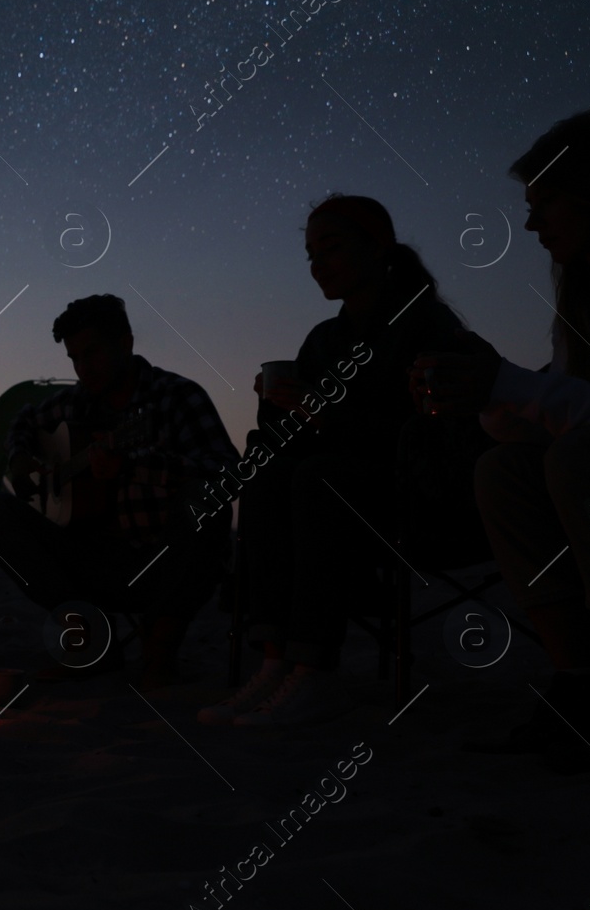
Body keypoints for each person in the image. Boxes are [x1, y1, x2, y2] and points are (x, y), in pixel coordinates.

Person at [420, 109, 590, 772]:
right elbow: (560, 399)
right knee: (503, 469)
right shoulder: (589, 293)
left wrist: (509, 385)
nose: (532, 225)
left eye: (545, 203)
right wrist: (490, 396)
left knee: (584, 455)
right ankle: (583, 687)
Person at [199, 196, 466, 725]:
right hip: (326, 498)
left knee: (321, 478)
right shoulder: (325, 338)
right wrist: (277, 404)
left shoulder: (425, 324)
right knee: (270, 473)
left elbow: (431, 437)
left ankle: (314, 669)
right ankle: (278, 662)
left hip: (417, 497)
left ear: (380, 248)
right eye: (310, 254)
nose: (319, 264)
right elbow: (290, 437)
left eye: (332, 247)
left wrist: (326, 415)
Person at [0, 294, 238, 689]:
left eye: (92, 353)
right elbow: (23, 419)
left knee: (205, 502)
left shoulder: (177, 397)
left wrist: (135, 466)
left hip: (162, 561)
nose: (83, 368)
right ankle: (92, 642)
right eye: (74, 358)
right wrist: (19, 458)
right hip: (90, 561)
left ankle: (159, 651)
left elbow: (227, 473)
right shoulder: (72, 404)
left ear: (126, 343)